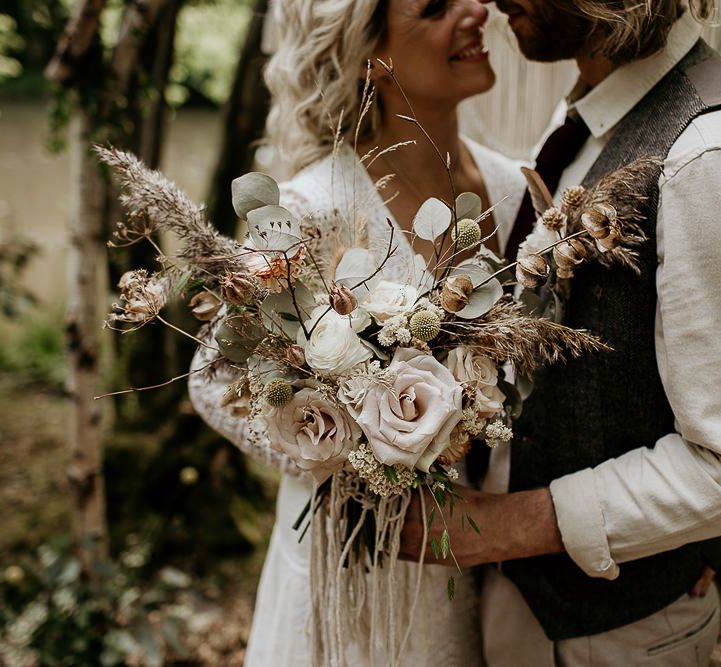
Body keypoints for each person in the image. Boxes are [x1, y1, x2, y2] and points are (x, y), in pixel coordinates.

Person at [188, 0, 524, 665]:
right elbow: (212, 379)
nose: (476, 9)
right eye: (434, 7)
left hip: (486, 577)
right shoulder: (310, 209)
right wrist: (357, 452)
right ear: (373, 54)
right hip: (348, 584)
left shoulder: (517, 192)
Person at [399, 1, 721, 664]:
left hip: (625, 634)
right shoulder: (583, 117)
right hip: (521, 611)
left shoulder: (702, 156)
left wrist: (494, 530)